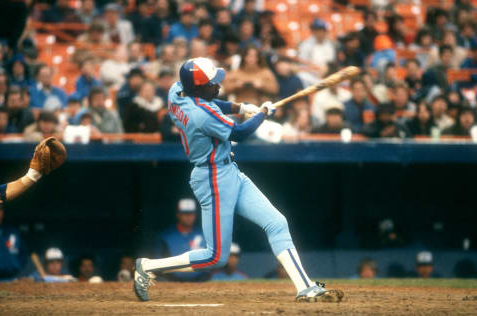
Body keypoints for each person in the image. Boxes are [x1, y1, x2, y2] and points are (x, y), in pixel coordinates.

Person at [133, 57, 343, 303]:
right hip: (212, 178)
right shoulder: (202, 115)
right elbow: (240, 133)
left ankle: (305, 287)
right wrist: (263, 113)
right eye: (212, 83)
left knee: (277, 223)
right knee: (216, 257)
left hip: (228, 171)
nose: (218, 86)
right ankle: (148, 266)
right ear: (198, 87)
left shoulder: (177, 91)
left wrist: (241, 107)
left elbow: (212, 102)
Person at [154, 198, 209, 282]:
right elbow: (158, 260)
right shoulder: (166, 236)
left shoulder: (203, 234)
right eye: (184, 213)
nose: (188, 217)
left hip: (200, 281)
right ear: (178, 214)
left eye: (191, 213)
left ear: (195, 215)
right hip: (172, 281)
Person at [0, 202, 27, 282]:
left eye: (0, 209)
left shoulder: (12, 231)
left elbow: (23, 253)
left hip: (12, 278)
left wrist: (17, 266)